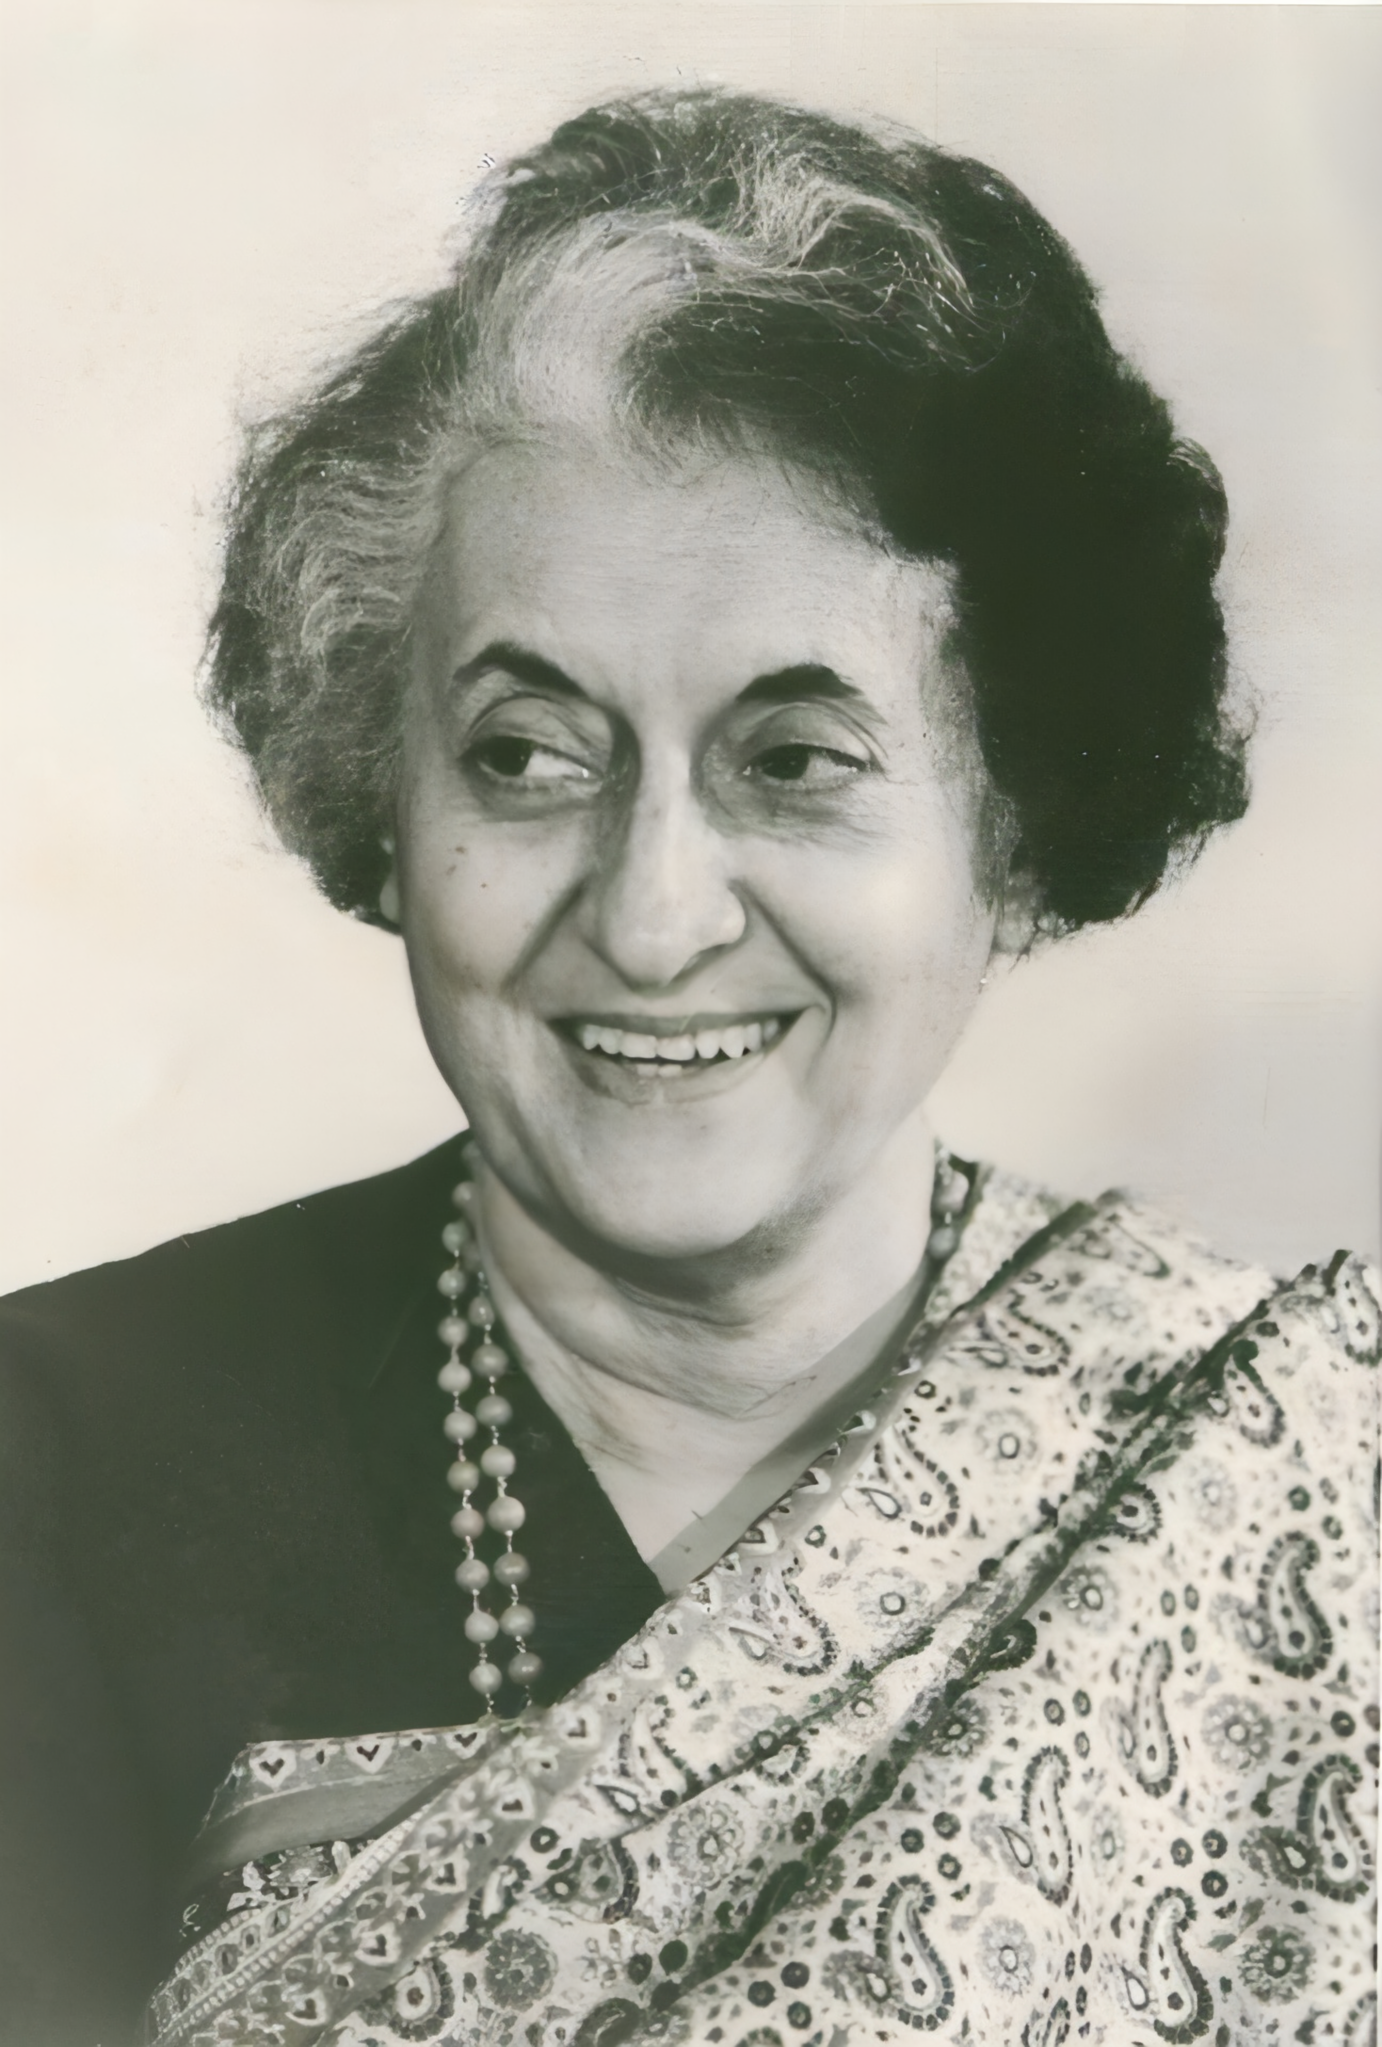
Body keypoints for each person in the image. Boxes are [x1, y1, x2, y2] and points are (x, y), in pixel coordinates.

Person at [0, 85, 1375, 2047]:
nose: (651, 920)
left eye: (794, 762)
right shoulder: (49, 1470)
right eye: (523, 756)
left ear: (1011, 831)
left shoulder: (1291, 1473)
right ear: (378, 795)